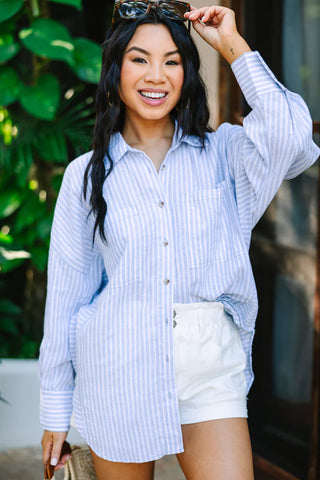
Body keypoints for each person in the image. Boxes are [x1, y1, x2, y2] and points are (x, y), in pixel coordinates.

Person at [39, 1, 320, 479]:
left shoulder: (225, 154)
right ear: (116, 69)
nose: (156, 75)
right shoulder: (85, 176)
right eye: (140, 59)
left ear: (188, 72)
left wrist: (233, 46)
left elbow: (292, 136)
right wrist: (54, 407)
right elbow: (67, 296)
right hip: (118, 365)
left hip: (209, 370)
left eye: (172, 60)